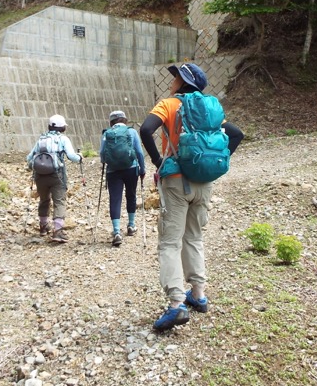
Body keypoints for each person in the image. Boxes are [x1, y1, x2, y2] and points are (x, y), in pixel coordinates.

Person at [139, 63, 244, 332]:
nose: (171, 81)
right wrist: (218, 160)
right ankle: (198, 294)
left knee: (170, 243)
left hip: (175, 181)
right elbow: (236, 134)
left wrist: (158, 161)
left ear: (182, 82)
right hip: (204, 182)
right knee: (194, 237)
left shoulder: (170, 104)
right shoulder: (208, 108)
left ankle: (176, 304)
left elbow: (145, 130)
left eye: (175, 77)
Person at [26, 114, 82, 243]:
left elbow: (29, 158)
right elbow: (72, 157)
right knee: (59, 201)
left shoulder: (41, 140)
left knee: (44, 200)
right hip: (57, 175)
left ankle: (43, 227)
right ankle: (58, 231)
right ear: (62, 127)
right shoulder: (62, 139)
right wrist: (80, 157)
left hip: (40, 176)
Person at [99, 110, 146, 247]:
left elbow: (102, 153)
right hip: (131, 168)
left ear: (111, 122)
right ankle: (131, 226)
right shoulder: (131, 132)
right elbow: (139, 152)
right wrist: (142, 169)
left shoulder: (106, 134)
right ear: (124, 120)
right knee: (131, 196)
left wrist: (106, 162)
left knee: (115, 199)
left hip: (113, 171)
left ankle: (117, 231)